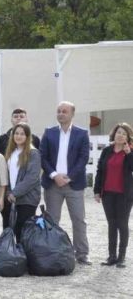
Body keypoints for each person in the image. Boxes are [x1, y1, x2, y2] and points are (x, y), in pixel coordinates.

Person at [39, 101, 91, 265]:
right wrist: (54, 175)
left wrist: (68, 177)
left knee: (78, 220)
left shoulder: (82, 133)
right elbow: (43, 156)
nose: (61, 114)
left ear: (72, 114)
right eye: (59, 111)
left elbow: (83, 158)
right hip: (53, 184)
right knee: (52, 220)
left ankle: (81, 254)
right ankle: (52, 251)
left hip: (73, 184)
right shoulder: (49, 132)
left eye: (64, 111)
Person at [94, 123, 133, 268]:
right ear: (114, 134)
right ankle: (112, 256)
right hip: (108, 193)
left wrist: (129, 153)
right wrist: (97, 190)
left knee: (122, 224)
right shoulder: (107, 151)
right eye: (118, 132)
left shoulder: (130, 152)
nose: (120, 135)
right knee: (111, 224)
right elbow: (100, 171)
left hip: (124, 194)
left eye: (124, 133)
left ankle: (122, 257)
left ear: (128, 138)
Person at [4, 123, 42, 241]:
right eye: (16, 133)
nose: (18, 136)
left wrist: (14, 193)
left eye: (22, 134)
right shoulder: (11, 152)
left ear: (27, 136)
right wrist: (9, 192)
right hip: (12, 197)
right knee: (13, 229)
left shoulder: (33, 153)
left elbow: (32, 178)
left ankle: (26, 257)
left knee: (24, 231)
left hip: (27, 198)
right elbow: (8, 175)